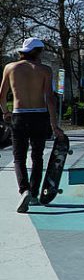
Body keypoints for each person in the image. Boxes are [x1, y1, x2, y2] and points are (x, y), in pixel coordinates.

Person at [0, 38, 65, 213]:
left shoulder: (10, 68)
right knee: (37, 156)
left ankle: (24, 189)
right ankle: (35, 194)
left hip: (19, 116)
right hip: (40, 116)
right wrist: (54, 124)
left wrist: (6, 112)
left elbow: (1, 95)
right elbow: (50, 99)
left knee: (19, 157)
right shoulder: (45, 70)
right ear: (38, 51)